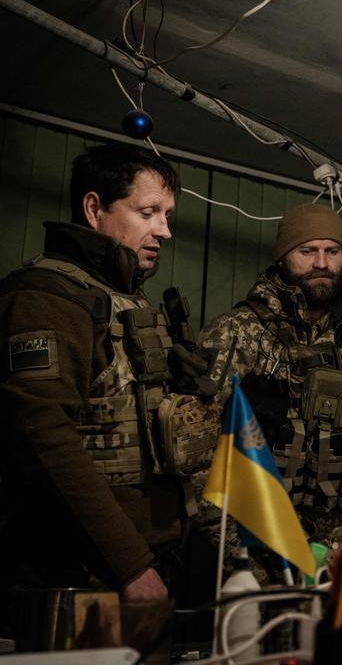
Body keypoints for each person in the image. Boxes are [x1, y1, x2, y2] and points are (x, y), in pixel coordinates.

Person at [0, 144, 215, 618]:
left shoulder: (124, 300)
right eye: (148, 212)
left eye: (167, 214)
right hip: (78, 576)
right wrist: (132, 564)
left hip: (146, 563)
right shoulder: (45, 297)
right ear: (94, 208)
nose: (165, 229)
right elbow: (43, 440)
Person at [198, 203, 342, 583]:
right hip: (260, 571)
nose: (322, 262)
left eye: (332, 251)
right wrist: (255, 561)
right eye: (307, 251)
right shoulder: (235, 334)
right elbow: (199, 463)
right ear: (283, 257)